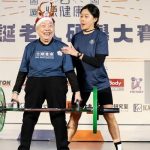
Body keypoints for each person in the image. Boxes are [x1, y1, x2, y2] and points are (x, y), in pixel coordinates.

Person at [11, 2, 81, 150]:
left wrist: (77, 91)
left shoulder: (62, 47)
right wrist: (15, 92)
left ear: (54, 29)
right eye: (44, 26)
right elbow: (23, 71)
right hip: (35, 82)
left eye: (50, 26)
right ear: (37, 30)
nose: (47, 29)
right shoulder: (30, 47)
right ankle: (23, 148)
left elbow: (69, 71)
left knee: (58, 117)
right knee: (29, 116)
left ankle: (63, 148)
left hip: (56, 82)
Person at [61, 3, 122, 150]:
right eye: (81, 16)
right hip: (82, 86)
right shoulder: (76, 37)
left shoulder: (101, 36)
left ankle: (119, 147)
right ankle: (63, 147)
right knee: (74, 116)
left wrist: (77, 54)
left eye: (86, 16)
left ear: (95, 19)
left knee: (110, 116)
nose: (82, 19)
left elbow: (97, 62)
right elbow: (73, 64)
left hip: (101, 84)